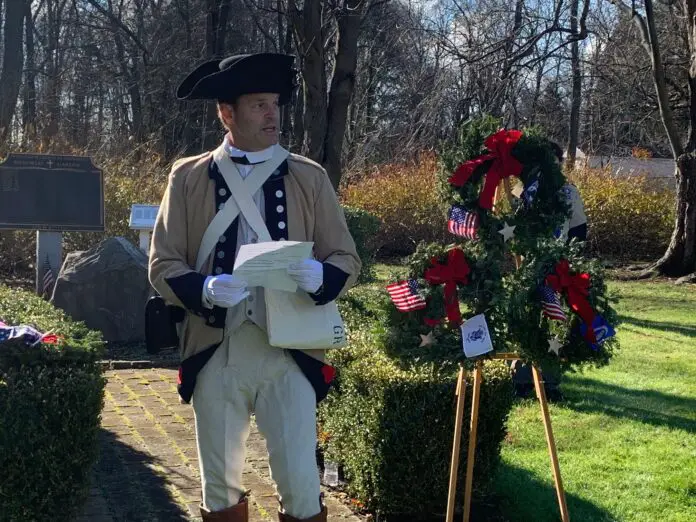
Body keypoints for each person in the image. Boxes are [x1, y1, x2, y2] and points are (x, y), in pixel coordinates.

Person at [148, 52, 361, 522]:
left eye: (275, 105)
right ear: (227, 113)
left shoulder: (309, 176)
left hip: (289, 350)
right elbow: (163, 262)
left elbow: (346, 256)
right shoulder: (187, 176)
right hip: (216, 347)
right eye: (259, 105)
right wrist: (204, 289)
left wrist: (322, 276)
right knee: (219, 485)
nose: (273, 116)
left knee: (302, 483)